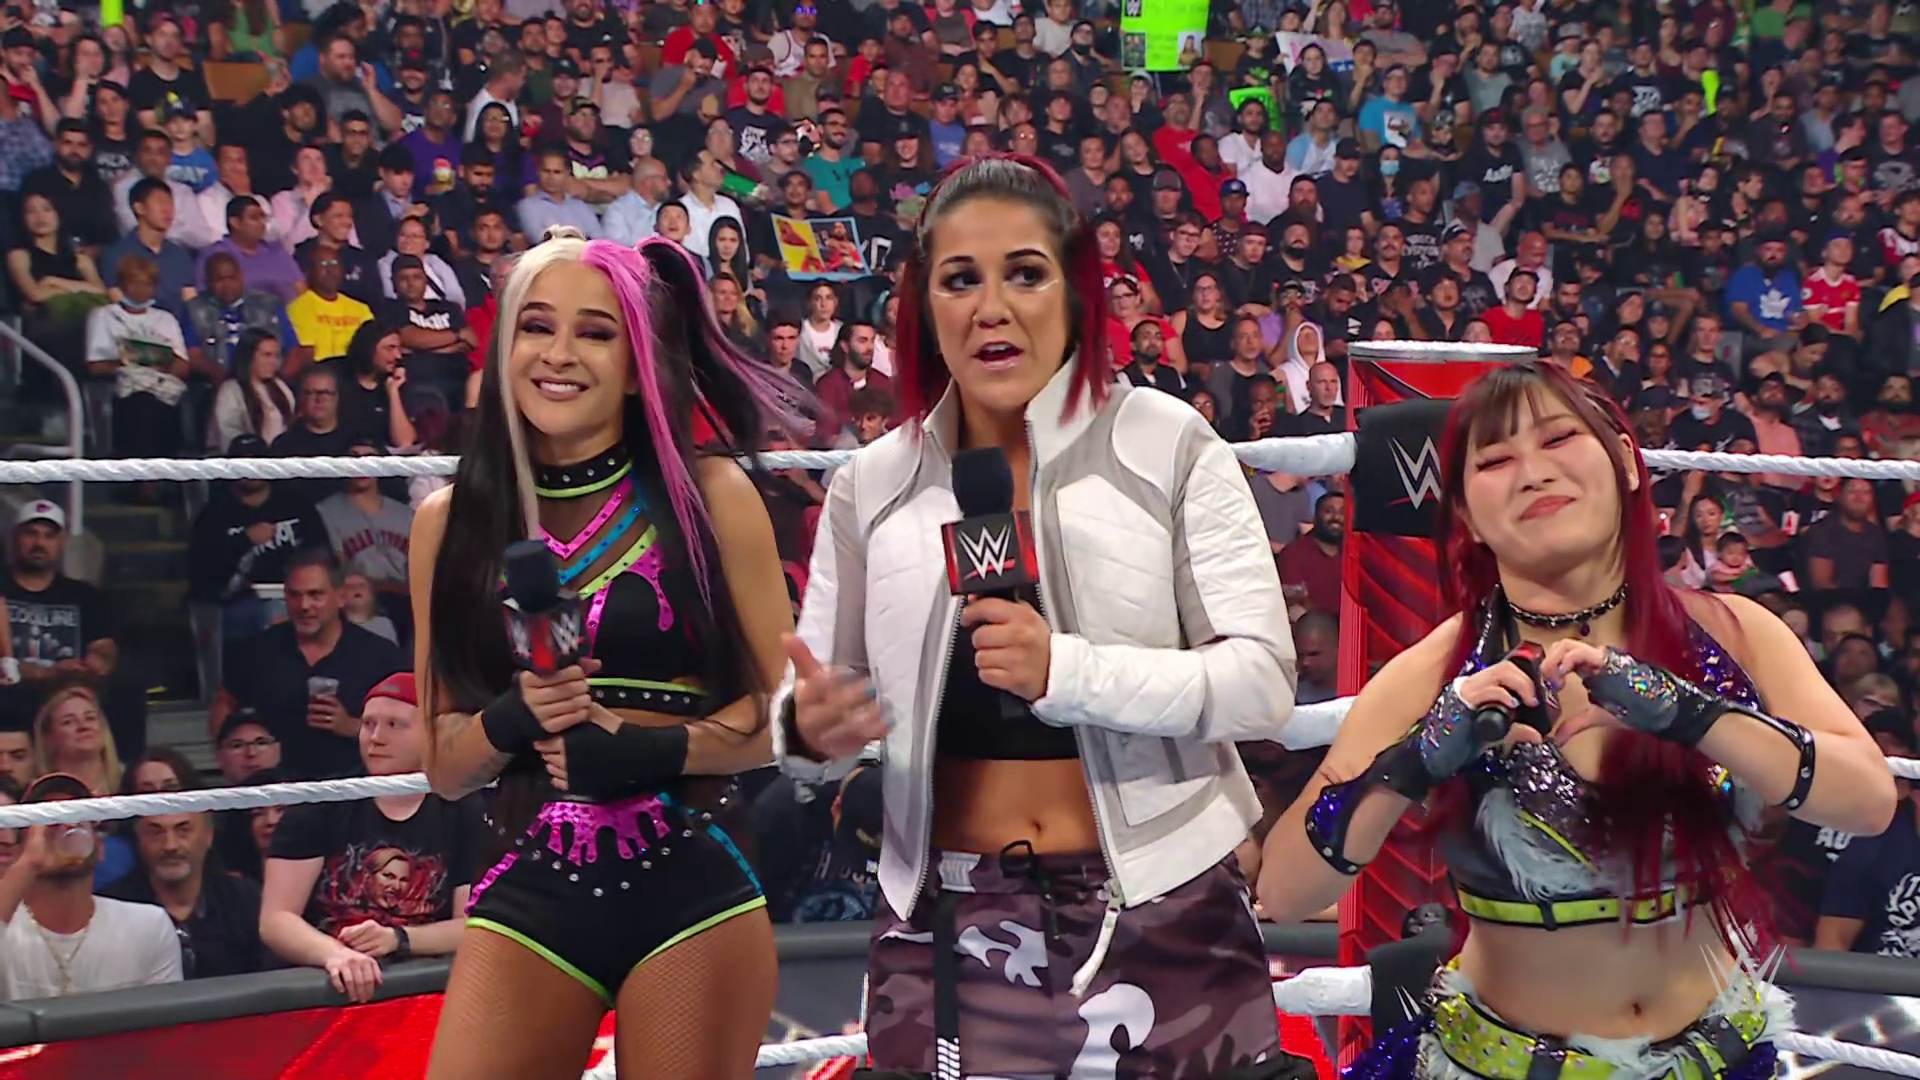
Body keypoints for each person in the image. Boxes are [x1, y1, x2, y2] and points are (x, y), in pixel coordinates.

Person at [777, 156, 1295, 1078]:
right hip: (945, 917)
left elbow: (1260, 684)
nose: (992, 309)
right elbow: (814, 696)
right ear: (923, 305)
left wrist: (1068, 672)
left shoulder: (1169, 444)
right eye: (960, 280)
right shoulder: (872, 486)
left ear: (1074, 291)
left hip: (1165, 900)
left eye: (1024, 273)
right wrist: (809, 729)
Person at [1258, 362, 1896, 1080]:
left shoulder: (1734, 632)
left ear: (1624, 460)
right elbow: (1284, 890)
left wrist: (1691, 713)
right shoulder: (1436, 670)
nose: (1533, 473)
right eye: (1495, 460)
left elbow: (1870, 800)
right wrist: (1416, 757)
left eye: (1559, 438)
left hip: (1720, 1056)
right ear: (1465, 511)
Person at [416, 230, 800, 1080]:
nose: (558, 354)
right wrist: (513, 719)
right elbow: (443, 766)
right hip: (529, 876)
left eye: (594, 332)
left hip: (693, 874)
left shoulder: (713, 495)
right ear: (503, 347)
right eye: (536, 326)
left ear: (636, 366)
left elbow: (784, 717)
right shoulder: (447, 523)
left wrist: (647, 750)